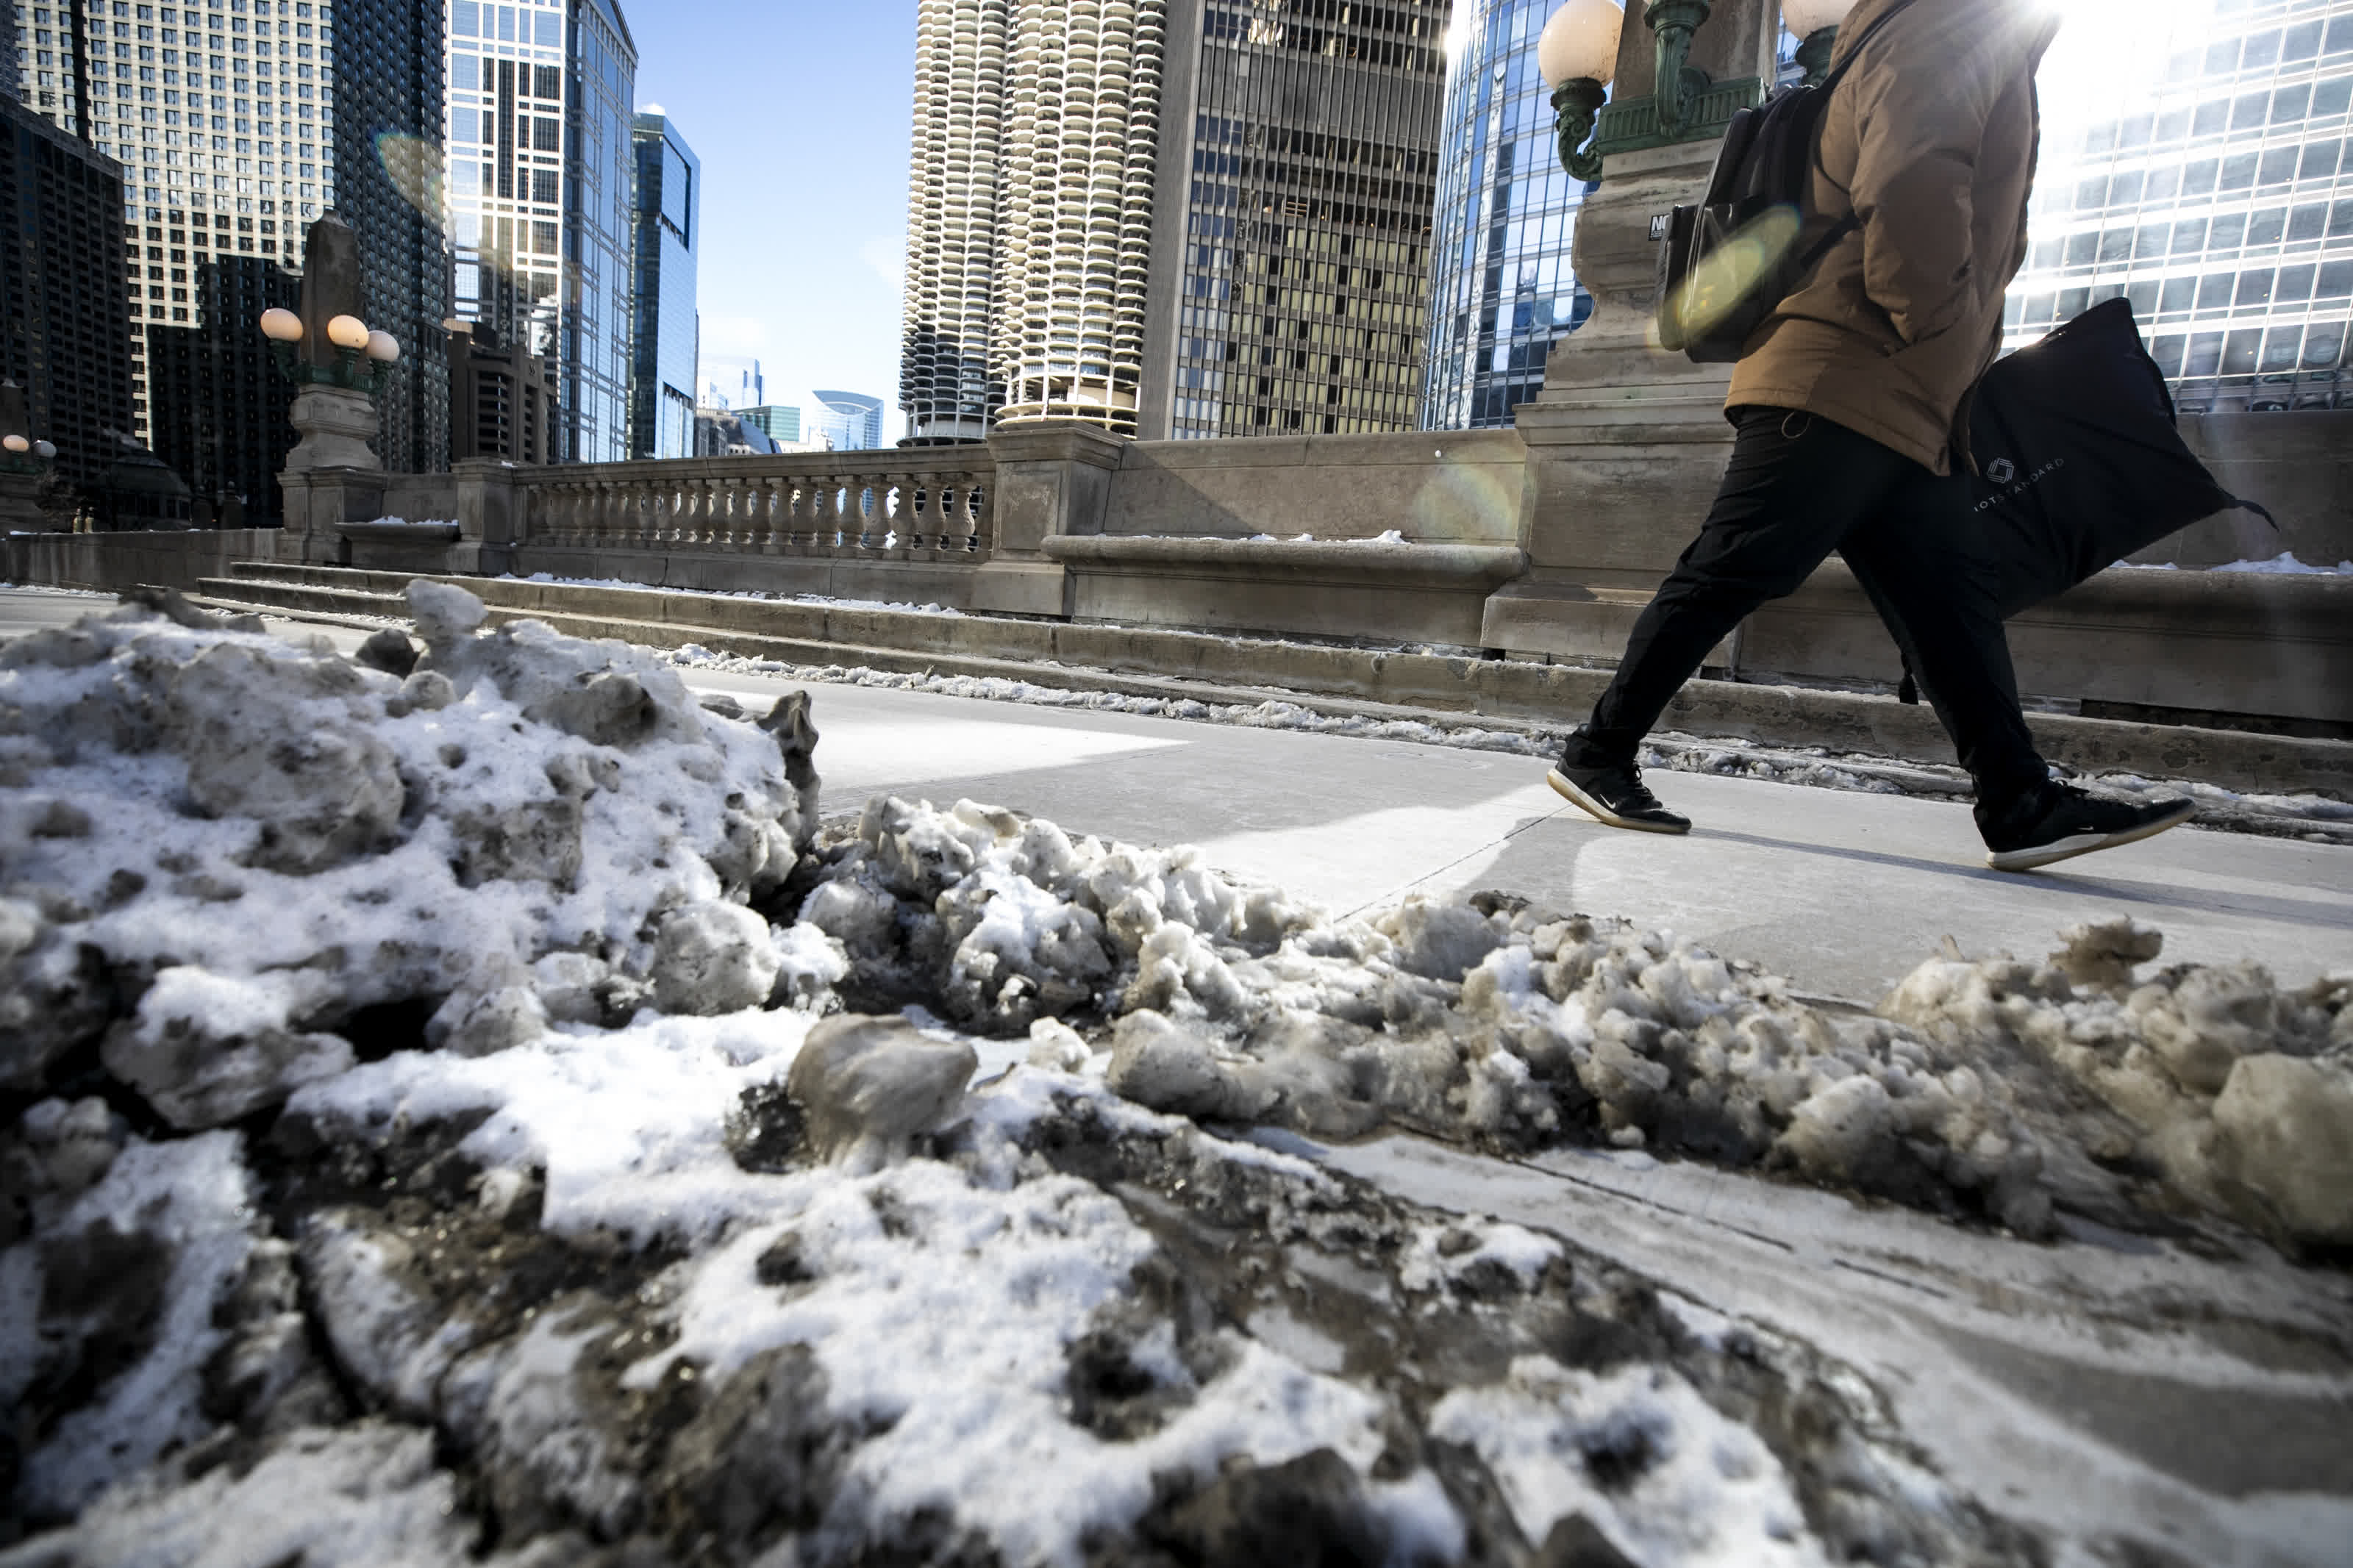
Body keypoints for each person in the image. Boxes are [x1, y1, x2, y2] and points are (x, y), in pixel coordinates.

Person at [1546, 0, 2195, 874]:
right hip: (1848, 371)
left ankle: (2018, 800)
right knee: (1732, 568)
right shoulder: (1945, 24)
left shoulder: (1959, 30)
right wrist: (1937, 325)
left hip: (1897, 386)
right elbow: (1909, 180)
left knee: (1948, 605)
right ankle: (1597, 751)